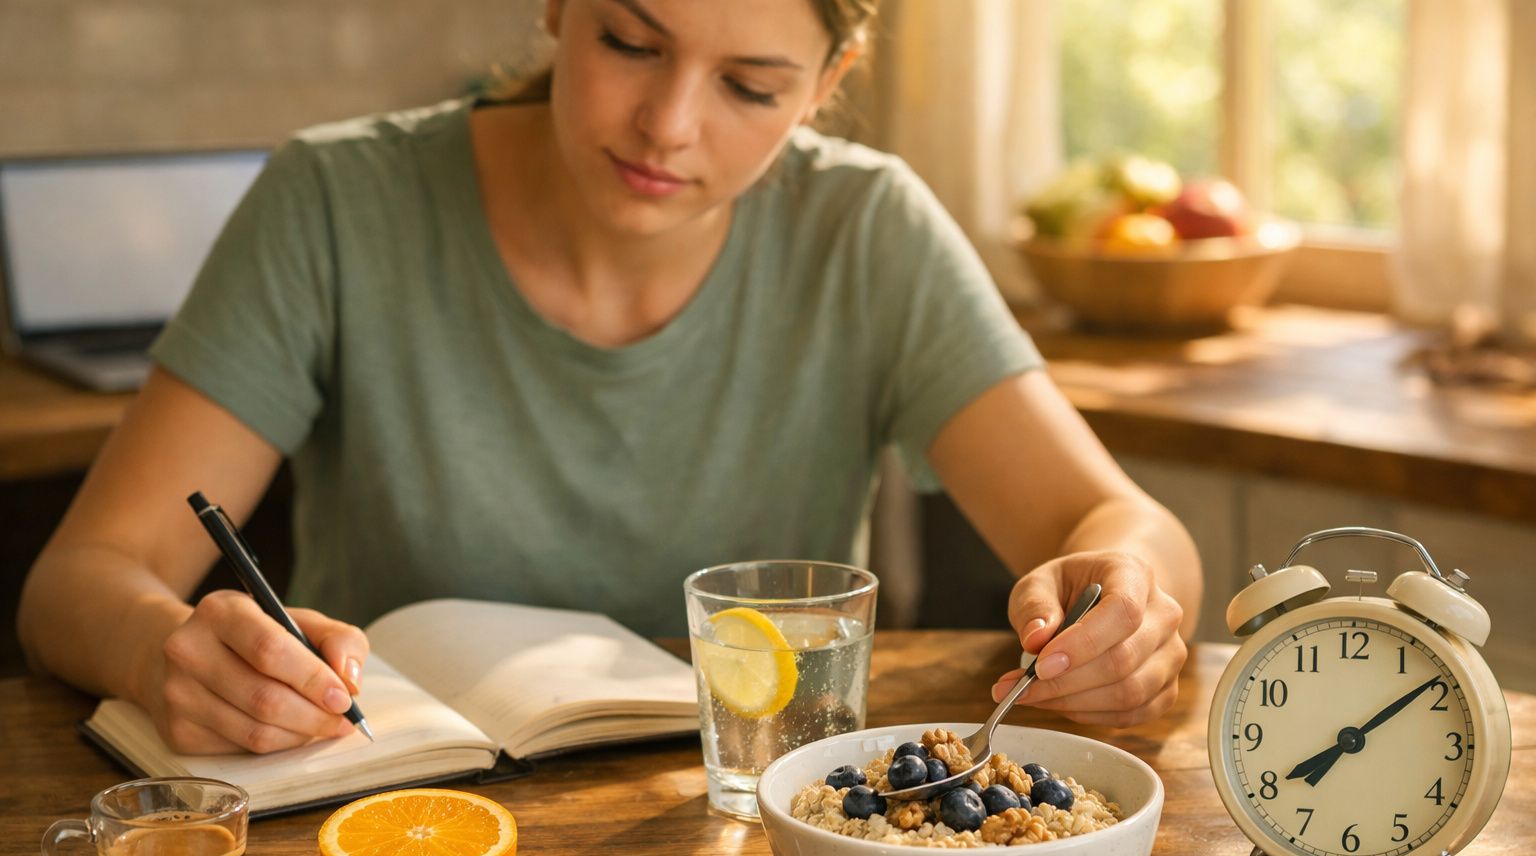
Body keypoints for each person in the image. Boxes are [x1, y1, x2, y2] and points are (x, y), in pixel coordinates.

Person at [17, 0, 1202, 756]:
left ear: (827, 79)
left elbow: (1117, 523)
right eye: (631, 42)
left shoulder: (868, 230)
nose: (667, 125)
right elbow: (76, 580)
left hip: (753, 851)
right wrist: (161, 651)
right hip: (392, 830)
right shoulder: (335, 202)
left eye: (751, 87)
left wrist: (1132, 603)